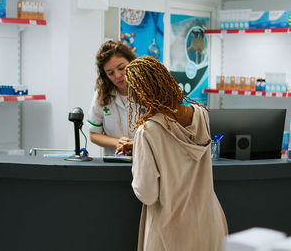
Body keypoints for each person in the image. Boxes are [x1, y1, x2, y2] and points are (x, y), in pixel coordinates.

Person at [124, 56, 228, 251]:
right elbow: (178, 144)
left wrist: (139, 155)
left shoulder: (147, 131)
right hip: (210, 223)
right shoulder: (201, 115)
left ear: (139, 94)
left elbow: (147, 193)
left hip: (171, 231)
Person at [87, 40, 138, 155]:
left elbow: (162, 133)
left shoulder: (149, 91)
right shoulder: (102, 95)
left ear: (132, 62)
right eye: (110, 73)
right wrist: (117, 142)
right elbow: (94, 134)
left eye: (121, 68)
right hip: (115, 161)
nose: (118, 76)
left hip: (146, 161)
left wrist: (137, 143)